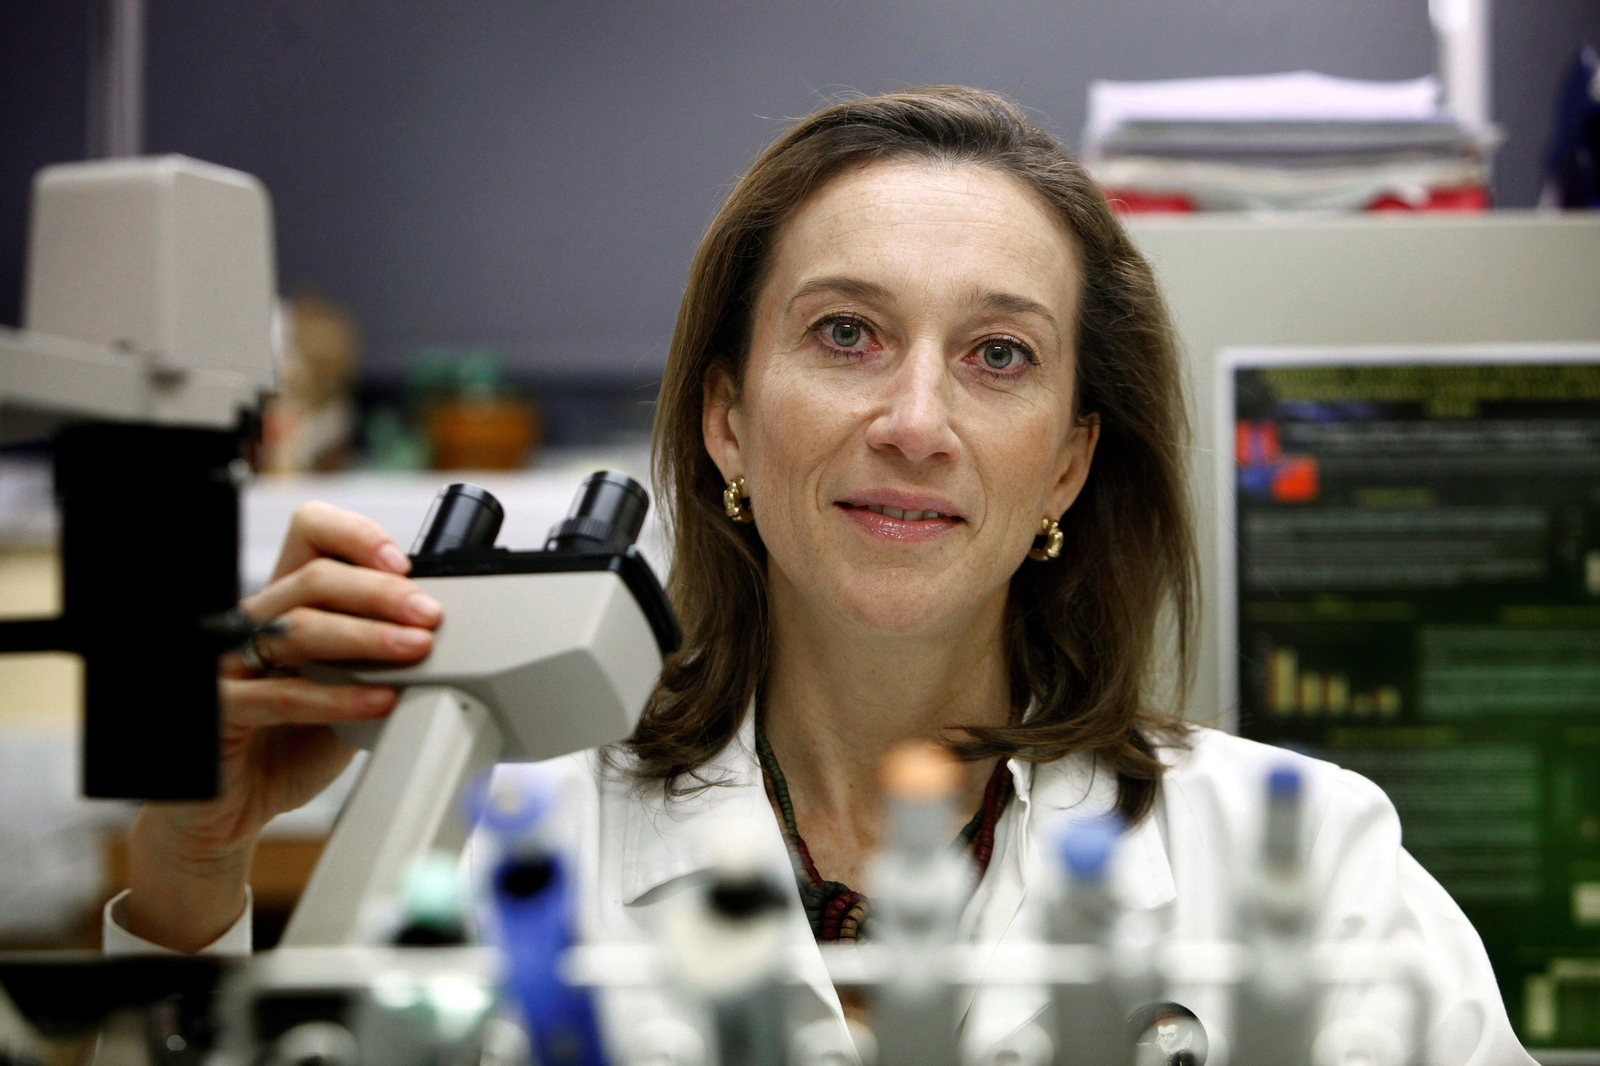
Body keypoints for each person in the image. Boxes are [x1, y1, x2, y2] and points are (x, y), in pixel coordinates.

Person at [107, 87, 1532, 1064]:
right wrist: (191, 866)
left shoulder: (1312, 860)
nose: (914, 421)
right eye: (846, 333)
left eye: (999, 355)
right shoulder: (494, 853)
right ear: (728, 415)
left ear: (1069, 463)